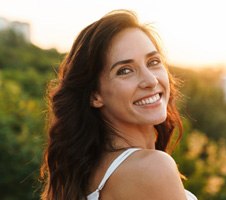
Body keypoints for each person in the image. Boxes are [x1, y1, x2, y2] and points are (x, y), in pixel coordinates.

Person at [40, 9, 198, 200]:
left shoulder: (89, 173)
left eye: (153, 61)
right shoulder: (152, 168)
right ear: (95, 95)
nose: (151, 80)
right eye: (125, 70)